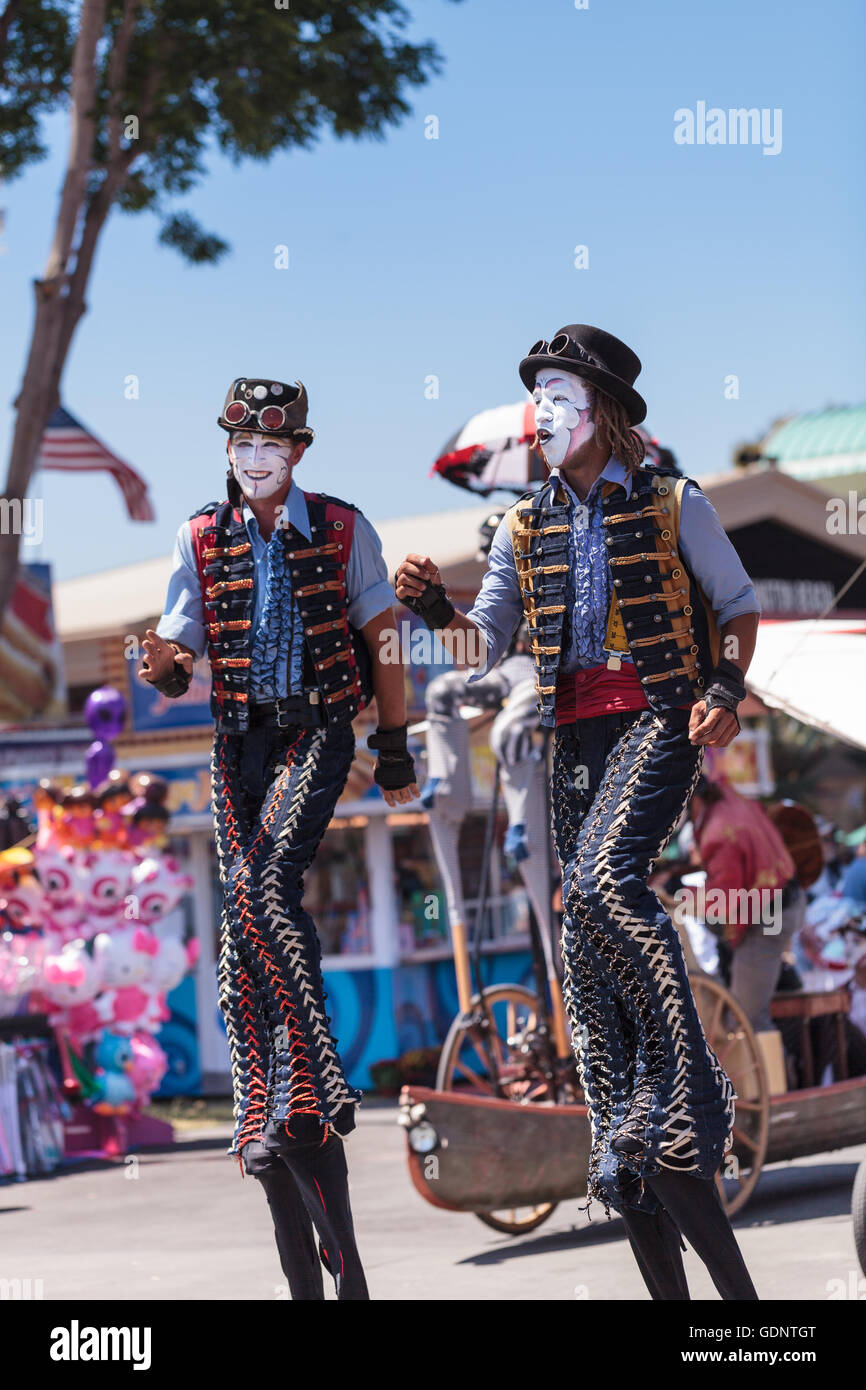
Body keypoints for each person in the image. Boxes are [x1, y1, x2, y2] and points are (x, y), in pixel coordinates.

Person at [396, 324, 761, 1300]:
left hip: (658, 713)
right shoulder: (520, 527)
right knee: (584, 958)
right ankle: (626, 1124)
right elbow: (489, 643)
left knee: (601, 879)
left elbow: (735, 603)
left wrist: (722, 692)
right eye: (536, 401)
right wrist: (435, 612)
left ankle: (688, 1088)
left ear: (599, 410)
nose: (542, 416)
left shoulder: (672, 500)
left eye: (557, 397)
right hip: (571, 736)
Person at [138, 376, 418, 1300]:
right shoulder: (197, 535)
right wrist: (164, 662)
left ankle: (324, 1074)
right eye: (241, 448)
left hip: (315, 731)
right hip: (236, 744)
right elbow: (178, 657)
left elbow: (382, 635)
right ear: (227, 449)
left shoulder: (340, 527)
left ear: (298, 450)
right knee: (234, 941)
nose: (255, 462)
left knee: (263, 894)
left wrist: (391, 743)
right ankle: (266, 1093)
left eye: (271, 448)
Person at [689, 776, 804, 1034]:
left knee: (742, 1023)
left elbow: (724, 898)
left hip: (770, 915)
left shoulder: (718, 832)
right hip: (782, 902)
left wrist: (684, 897)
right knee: (751, 1015)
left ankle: (771, 1074)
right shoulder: (732, 797)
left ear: (692, 799)